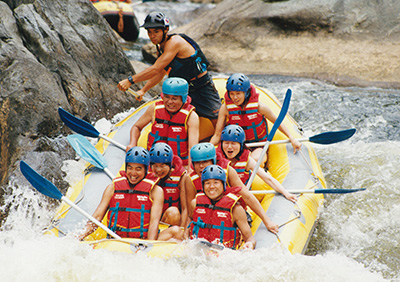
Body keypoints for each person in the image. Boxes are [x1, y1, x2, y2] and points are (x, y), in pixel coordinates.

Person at [117, 11, 221, 125]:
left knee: (217, 120)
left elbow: (155, 69)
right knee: (174, 120)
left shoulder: (174, 42)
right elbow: (161, 72)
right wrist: (144, 90)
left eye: (156, 31)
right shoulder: (160, 49)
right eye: (149, 32)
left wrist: (130, 80)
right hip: (183, 90)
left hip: (202, 87)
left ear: (165, 30)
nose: (152, 36)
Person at [78, 147, 180, 241]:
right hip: (117, 241)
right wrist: (80, 235)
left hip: (142, 240)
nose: (133, 173)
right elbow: (97, 217)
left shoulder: (156, 191)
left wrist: (148, 246)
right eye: (130, 168)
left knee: (176, 231)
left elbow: (154, 223)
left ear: (145, 170)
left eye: (138, 168)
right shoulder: (112, 188)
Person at [185, 143, 279, 234]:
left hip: (230, 215)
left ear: (213, 161)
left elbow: (247, 196)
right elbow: (191, 210)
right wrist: (186, 230)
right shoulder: (190, 180)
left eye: (205, 162)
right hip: (207, 217)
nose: (201, 166)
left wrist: (267, 221)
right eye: (197, 163)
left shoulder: (228, 171)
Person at [210, 73, 301, 162]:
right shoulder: (225, 108)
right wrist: (207, 149)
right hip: (236, 146)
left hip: (258, 145)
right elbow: (217, 135)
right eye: (232, 94)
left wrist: (291, 138)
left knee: (256, 160)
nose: (235, 97)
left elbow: (278, 123)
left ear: (246, 93)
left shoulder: (259, 107)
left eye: (238, 93)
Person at [127, 77, 199, 168]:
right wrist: (132, 143)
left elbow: (192, 148)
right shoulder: (154, 108)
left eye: (174, 98)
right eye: (167, 97)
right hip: (154, 162)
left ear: (183, 98)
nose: (169, 102)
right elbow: (136, 127)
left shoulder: (192, 117)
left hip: (178, 165)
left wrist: (190, 169)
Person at [217, 124, 297, 203]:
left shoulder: (247, 161)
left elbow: (268, 179)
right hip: (218, 199)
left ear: (240, 145)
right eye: (226, 143)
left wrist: (285, 193)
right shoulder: (215, 158)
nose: (229, 147)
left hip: (238, 200)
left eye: (233, 143)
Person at [189, 165, 256, 249]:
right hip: (199, 251)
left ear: (223, 184)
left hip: (223, 254)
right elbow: (189, 223)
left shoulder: (236, 210)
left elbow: (250, 238)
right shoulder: (195, 203)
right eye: (207, 183)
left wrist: (250, 244)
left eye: (216, 182)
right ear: (203, 186)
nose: (211, 186)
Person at [149, 143, 188, 228]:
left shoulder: (181, 177)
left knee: (173, 212)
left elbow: (185, 208)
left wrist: (182, 229)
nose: (158, 170)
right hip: (151, 221)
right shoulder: (146, 175)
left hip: (170, 220)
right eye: (155, 166)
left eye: (162, 166)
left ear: (169, 165)